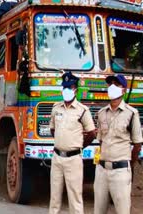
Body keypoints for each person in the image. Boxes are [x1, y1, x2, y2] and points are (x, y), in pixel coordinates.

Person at [94, 74, 142, 214]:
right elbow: (101, 141)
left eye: (116, 84)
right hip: (101, 170)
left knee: (122, 210)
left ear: (123, 90)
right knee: (99, 210)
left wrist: (129, 164)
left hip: (121, 171)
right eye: (110, 84)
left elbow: (137, 143)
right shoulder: (101, 113)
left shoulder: (132, 114)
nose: (112, 87)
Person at [49, 72, 96, 214]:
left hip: (74, 159)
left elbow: (92, 133)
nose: (66, 90)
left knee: (75, 198)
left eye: (69, 87)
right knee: (54, 198)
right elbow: (53, 130)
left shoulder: (82, 111)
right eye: (64, 87)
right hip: (57, 158)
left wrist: (78, 145)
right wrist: (61, 140)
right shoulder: (56, 108)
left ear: (75, 89)